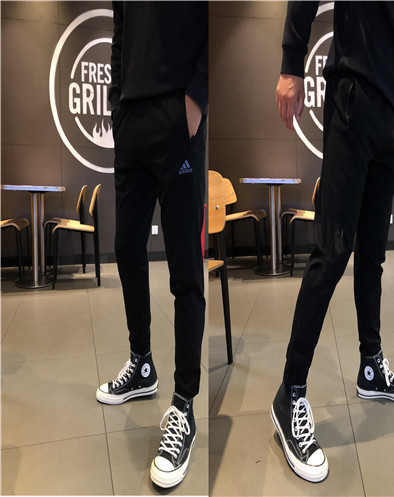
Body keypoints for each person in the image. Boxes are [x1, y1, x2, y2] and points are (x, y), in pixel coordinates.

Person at [272, 1, 394, 483]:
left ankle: (371, 367)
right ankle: (290, 393)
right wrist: (291, 65)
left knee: (373, 257)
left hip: (392, 113)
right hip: (352, 96)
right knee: (332, 253)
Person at [95, 2, 208, 489]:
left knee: (185, 269)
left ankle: (184, 404)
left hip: (177, 115)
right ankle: (142, 363)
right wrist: (117, 105)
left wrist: (197, 95)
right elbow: (121, 36)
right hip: (132, 121)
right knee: (126, 247)